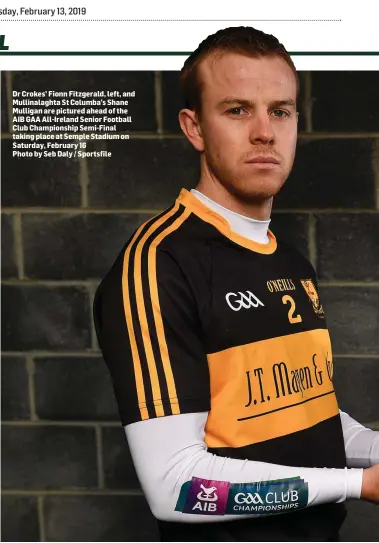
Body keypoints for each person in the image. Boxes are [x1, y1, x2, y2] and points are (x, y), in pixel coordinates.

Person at [93, 26, 379, 542]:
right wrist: (358, 484)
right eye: (238, 110)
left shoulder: (290, 262)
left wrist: (374, 452)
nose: (265, 132)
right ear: (195, 127)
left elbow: (310, 419)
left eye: (281, 111)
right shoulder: (158, 264)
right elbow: (175, 484)